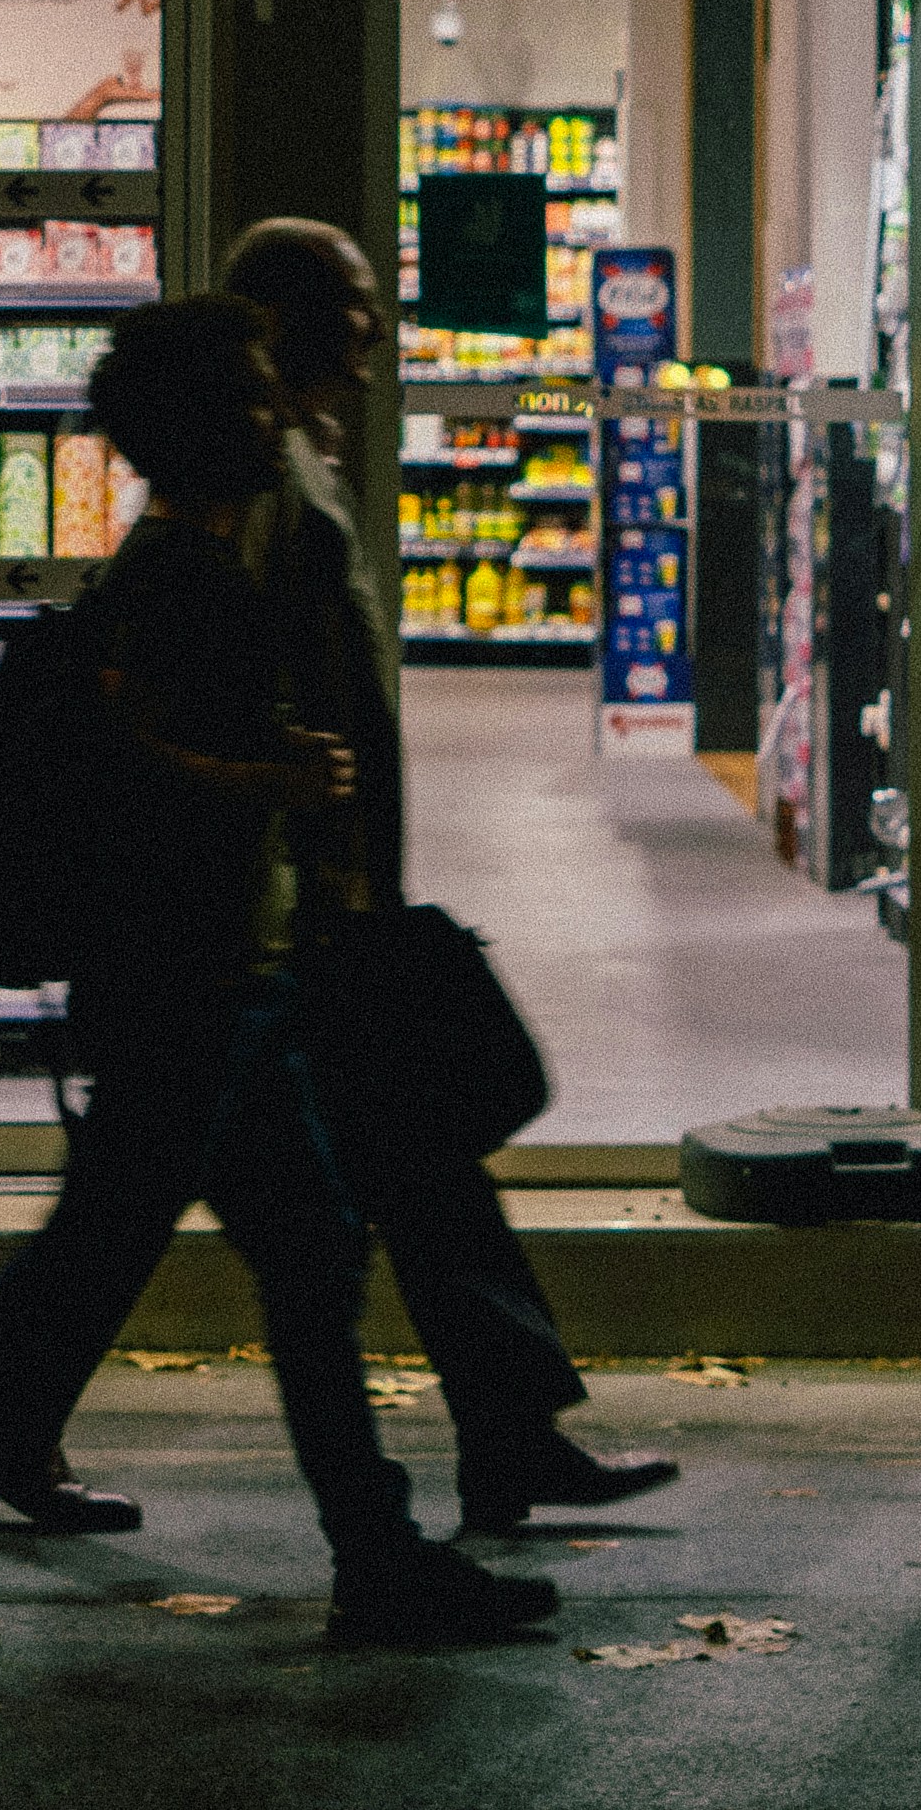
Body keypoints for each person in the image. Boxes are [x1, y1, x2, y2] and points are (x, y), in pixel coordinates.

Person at [0, 296, 555, 1654]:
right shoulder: (184, 584)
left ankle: (374, 1551)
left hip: (215, 988)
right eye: (257, 399)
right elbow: (132, 771)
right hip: (188, 989)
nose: (283, 417)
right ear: (211, 425)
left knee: (307, 1259)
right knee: (85, 1274)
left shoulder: (164, 567)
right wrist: (270, 779)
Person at [219, 216, 681, 1536]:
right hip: (287, 909)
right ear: (302, 327)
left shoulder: (298, 471)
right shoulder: (270, 492)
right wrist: (339, 873)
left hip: (318, 897)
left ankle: (506, 1437)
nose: (376, 348)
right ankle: (410, 1519)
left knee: (412, 1168)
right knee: (237, 1228)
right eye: (360, 317)